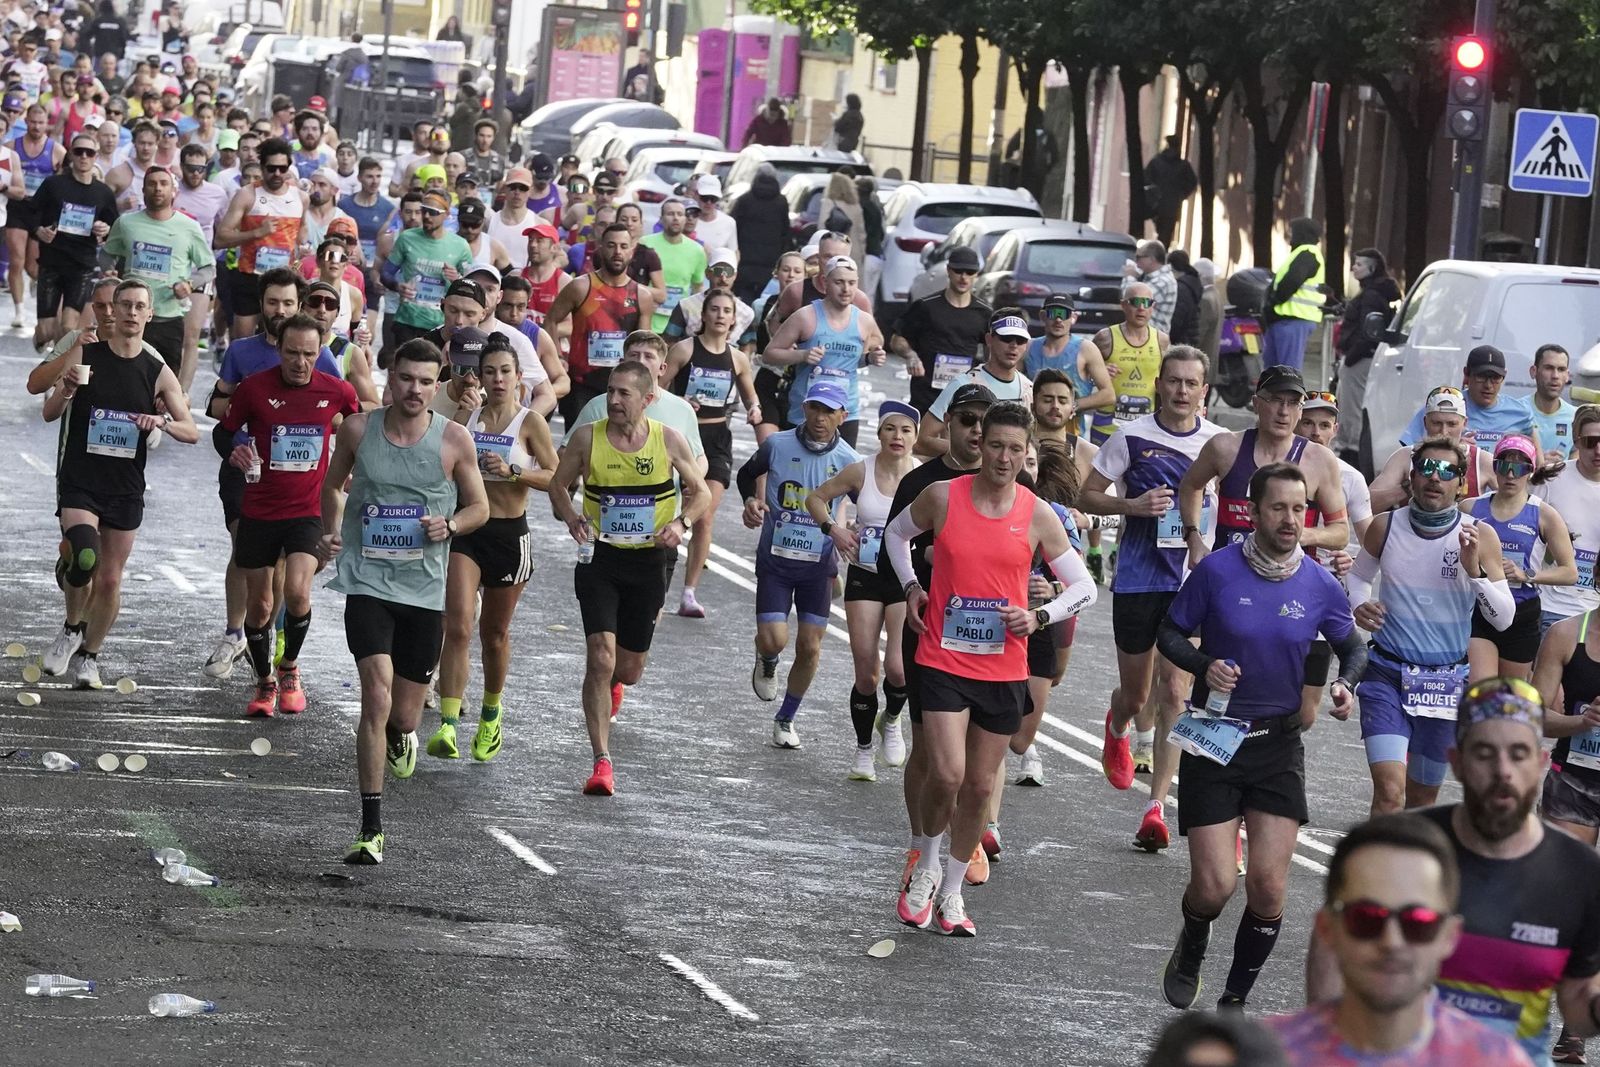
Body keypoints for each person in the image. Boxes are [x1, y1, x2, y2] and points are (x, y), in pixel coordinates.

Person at [1153, 462, 1364, 1009]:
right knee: (1215, 885)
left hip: (1277, 743)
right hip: (1213, 734)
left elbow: (1352, 646)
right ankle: (1193, 940)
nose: (1292, 519)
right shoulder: (1218, 571)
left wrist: (1346, 685)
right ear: (1252, 511)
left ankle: (1234, 1002)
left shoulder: (1319, 582)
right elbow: (1170, 633)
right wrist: (1203, 665)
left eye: (1300, 508)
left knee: (1269, 888)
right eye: (1279, 507)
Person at [1307, 679, 1600, 1067]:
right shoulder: (1398, 848)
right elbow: (1331, 948)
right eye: (1484, 754)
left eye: (1519, 754)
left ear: (1542, 764)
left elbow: (1579, 1003)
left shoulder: (1579, 873)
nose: (1503, 772)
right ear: (1456, 762)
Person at [885, 400, 1096, 935]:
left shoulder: (1038, 513)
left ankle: (954, 892)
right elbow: (894, 535)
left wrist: (1039, 615)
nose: (1003, 457)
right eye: (995, 445)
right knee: (948, 773)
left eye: (1015, 449)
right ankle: (925, 868)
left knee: (979, 787)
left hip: (1004, 666)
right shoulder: (942, 497)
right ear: (980, 445)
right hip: (943, 657)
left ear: (1028, 454)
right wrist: (912, 586)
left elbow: (1085, 586)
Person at [319, 338, 490, 864]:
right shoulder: (357, 430)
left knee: (406, 715)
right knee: (375, 692)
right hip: (368, 582)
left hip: (423, 593)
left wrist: (452, 523)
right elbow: (331, 487)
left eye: (424, 380)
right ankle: (371, 827)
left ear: (436, 384)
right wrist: (331, 533)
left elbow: (481, 506)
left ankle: (401, 735)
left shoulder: (454, 440)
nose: (414, 389)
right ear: (390, 379)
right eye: (405, 379)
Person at [1079, 346, 1224, 846]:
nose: (1183, 392)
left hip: (1191, 580)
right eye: (1175, 382)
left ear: (1204, 390)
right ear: (1160, 384)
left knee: (1175, 692)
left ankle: (1156, 806)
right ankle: (1117, 724)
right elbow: (1086, 495)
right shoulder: (1131, 437)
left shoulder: (1219, 445)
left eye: (1192, 383)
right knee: (1138, 694)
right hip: (1140, 578)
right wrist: (1132, 504)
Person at [548, 359, 708, 795]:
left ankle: (618, 683)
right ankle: (601, 761)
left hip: (648, 562)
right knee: (600, 656)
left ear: (648, 399)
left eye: (624, 394)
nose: (613, 400)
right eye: (610, 392)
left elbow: (703, 490)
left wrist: (682, 525)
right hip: (600, 560)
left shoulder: (667, 440)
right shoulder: (587, 438)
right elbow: (558, 486)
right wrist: (571, 518)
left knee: (628, 669)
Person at [1269, 813, 1536, 1066]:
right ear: (1327, 929)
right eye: (1366, 918)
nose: (1392, 941)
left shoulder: (1499, 1061)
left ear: (1449, 936)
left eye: (1418, 922)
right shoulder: (1259, 1056)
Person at [38, 279, 199, 687]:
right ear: (111, 311)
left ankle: (89, 657)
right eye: (122, 304)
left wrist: (160, 420)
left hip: (125, 486)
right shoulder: (86, 353)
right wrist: (68, 390)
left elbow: (190, 430)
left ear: (149, 314)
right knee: (87, 558)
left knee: (110, 579)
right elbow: (50, 411)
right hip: (80, 479)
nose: (128, 312)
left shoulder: (157, 370)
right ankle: (72, 627)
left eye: (137, 306)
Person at [1349, 436, 1514, 815]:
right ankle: (1379, 874)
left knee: (1422, 802)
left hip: (1444, 685)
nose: (1434, 478)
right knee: (1390, 792)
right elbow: (1358, 578)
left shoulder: (1479, 535)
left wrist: (1474, 573)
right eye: (1426, 468)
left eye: (1446, 471)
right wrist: (1360, 605)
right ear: (1412, 477)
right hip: (1385, 674)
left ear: (1461, 483)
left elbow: (1502, 619)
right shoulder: (1385, 526)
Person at [218, 313, 360, 717]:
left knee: (297, 592)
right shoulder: (254, 389)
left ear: (320, 352)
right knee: (260, 607)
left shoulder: (336, 390)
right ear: (277, 349)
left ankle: (289, 668)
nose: (300, 362)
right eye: (293, 353)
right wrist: (236, 449)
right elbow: (224, 429)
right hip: (259, 510)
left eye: (309, 354)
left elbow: (360, 428)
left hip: (307, 511)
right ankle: (264, 681)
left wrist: (350, 470)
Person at [426, 332, 558, 762]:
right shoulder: (468, 419)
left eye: (505, 371)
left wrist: (515, 469)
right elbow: (439, 466)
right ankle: (447, 723)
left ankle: (490, 715)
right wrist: (462, 420)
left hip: (509, 534)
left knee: (494, 635)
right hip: (468, 532)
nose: (498, 379)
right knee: (458, 625)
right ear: (478, 376)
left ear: (519, 376)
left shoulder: (529, 422)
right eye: (490, 372)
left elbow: (556, 477)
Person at [737, 380, 861, 743]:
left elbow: (866, 504)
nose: (820, 418)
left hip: (818, 567)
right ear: (803, 408)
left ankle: (786, 718)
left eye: (829, 411)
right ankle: (767, 657)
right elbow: (747, 474)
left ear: (843, 415)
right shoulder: (777, 444)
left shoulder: (849, 460)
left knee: (809, 646)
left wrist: (854, 525)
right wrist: (750, 501)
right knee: (775, 640)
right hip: (775, 560)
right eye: (814, 408)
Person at [804, 400, 921, 778]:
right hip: (865, 575)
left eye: (905, 430)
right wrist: (834, 530)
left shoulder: (925, 478)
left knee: (899, 670)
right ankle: (863, 750)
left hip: (906, 580)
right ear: (879, 433)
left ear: (916, 437)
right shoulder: (861, 470)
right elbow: (815, 498)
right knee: (867, 671)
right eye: (890, 428)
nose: (897, 437)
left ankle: (890, 719)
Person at [1179, 365, 1349, 557]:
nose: (1284, 411)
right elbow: (1190, 486)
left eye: (1293, 402)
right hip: (1231, 575)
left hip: (1289, 579)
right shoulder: (1224, 447)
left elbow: (1341, 533)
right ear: (1256, 403)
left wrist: (1303, 534)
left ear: (1301, 410)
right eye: (1276, 400)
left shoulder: (1320, 460)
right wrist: (1193, 538)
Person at [663, 288, 759, 617]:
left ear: (734, 319)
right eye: (714, 309)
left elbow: (751, 397)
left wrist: (755, 410)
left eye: (726, 311)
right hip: (682, 436)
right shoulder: (683, 350)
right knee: (666, 507)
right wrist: (679, 405)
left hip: (717, 438)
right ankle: (657, 575)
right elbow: (655, 391)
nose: (720, 315)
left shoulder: (737, 358)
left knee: (704, 514)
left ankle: (689, 593)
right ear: (702, 315)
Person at [1464, 436, 1575, 682]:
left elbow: (1570, 572)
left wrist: (1527, 575)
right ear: (1495, 468)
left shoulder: (1544, 514)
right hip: (1479, 609)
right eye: (1504, 465)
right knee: (1480, 687)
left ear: (1531, 471)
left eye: (1521, 467)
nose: (1511, 474)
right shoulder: (1470, 508)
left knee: (1508, 698)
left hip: (1522, 613)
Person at [102, 164, 214, 380]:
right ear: (143, 190)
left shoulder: (189, 226)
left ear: (174, 191)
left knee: (163, 382)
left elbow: (208, 268)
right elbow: (107, 255)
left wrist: (189, 285)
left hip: (168, 317)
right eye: (151, 184)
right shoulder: (126, 223)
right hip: (130, 316)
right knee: (125, 378)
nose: (158, 189)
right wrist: (109, 274)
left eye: (164, 184)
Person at [764, 255, 886, 448]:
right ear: (825, 282)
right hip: (808, 410)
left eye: (851, 283)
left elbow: (858, 357)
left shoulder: (864, 320)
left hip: (845, 411)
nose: (846, 289)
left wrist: (870, 358)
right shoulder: (806, 316)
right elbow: (770, 354)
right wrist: (802, 355)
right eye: (839, 282)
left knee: (842, 474)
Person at [543, 222, 656, 428]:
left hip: (623, 386)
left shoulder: (642, 295)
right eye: (611, 245)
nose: (617, 252)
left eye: (623, 246)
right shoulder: (580, 286)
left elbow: (644, 345)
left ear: (632, 251)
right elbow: (550, 320)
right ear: (601, 248)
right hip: (581, 384)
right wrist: (557, 360)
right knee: (579, 446)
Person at [29, 129, 114, 352]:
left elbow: (112, 226)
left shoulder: (103, 192)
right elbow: (30, 213)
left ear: (96, 156)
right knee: (47, 330)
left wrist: (103, 229)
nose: (84, 156)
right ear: (71, 155)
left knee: (68, 326)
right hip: (51, 262)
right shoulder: (53, 184)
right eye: (79, 152)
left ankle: (56, 376)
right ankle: (41, 339)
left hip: (82, 265)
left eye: (89, 152)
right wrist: (39, 231)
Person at [216, 137, 306, 341]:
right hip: (250, 278)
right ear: (262, 166)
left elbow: (303, 234)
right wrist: (256, 233)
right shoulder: (247, 195)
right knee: (243, 344)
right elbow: (221, 238)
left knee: (282, 342)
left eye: (282, 169)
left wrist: (304, 247)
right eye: (271, 168)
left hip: (284, 281)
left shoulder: (301, 198)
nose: (277, 174)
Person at [916, 308, 1034, 457]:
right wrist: (973, 452)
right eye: (1006, 338)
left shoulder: (1029, 389)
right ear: (989, 340)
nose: (1013, 345)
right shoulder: (963, 384)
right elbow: (922, 441)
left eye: (1020, 340)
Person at [893, 245, 992, 413]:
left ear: (977, 274)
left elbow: (994, 349)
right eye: (958, 271)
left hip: (964, 398)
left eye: (969, 272)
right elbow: (897, 338)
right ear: (948, 270)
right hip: (926, 397)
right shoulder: (926, 307)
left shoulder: (984, 313)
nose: (963, 277)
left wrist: (987, 375)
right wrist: (911, 356)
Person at [1370, 387, 1498, 513]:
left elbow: (1514, 505)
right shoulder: (1405, 457)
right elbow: (1364, 506)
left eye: (1452, 424)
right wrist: (1408, 488)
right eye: (1436, 423)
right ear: (1425, 422)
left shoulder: (1481, 460)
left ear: (1464, 424)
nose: (1443, 431)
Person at [1398, 345, 1538, 454]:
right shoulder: (1443, 404)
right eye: (1481, 376)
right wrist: (1450, 448)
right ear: (1466, 374)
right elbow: (1408, 453)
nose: (1488, 385)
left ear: (1504, 376)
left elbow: (1536, 458)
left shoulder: (1520, 412)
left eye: (1495, 378)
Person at [1535, 404, 1600, 633]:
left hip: (1595, 610)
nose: (1598, 450)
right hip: (1551, 607)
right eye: (1591, 442)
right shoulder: (1551, 478)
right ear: (1577, 440)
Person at [1331, 248, 1400, 463]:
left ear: (1371, 268)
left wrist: (1351, 358)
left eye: (1359, 264)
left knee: (1351, 406)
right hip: (1362, 357)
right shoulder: (1376, 293)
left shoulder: (1371, 295)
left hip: (1359, 360)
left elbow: (1368, 331)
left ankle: (1350, 450)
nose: (1354, 267)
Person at [381, 190, 474, 348]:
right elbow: (385, 274)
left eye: (433, 212)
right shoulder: (407, 238)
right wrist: (398, 287)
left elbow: (471, 288)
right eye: (424, 210)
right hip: (407, 320)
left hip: (440, 324)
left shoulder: (460, 246)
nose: (426, 216)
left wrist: (457, 279)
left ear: (446, 215)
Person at [1088, 282, 1169, 447]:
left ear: (1153, 307)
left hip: (1145, 427)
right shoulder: (1105, 337)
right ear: (1123, 305)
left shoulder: (1161, 340)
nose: (1141, 308)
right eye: (1135, 302)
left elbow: (1167, 380)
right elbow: (1081, 373)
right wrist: (1096, 374)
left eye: (1146, 303)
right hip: (1107, 426)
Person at [1024, 293, 1114, 432]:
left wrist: (1072, 406)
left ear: (1073, 318)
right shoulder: (1029, 347)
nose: (1059, 319)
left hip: (1072, 436)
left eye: (1064, 314)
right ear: (1043, 316)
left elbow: (1108, 394)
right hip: (1034, 434)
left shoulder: (1086, 349)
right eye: (1053, 313)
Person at [1260, 217, 1326, 373]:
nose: (1289, 234)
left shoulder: (1307, 253)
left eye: (1292, 230)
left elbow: (1291, 281)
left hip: (1294, 320)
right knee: (1274, 371)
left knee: (1287, 372)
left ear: (1301, 233)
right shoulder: (1298, 253)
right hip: (1285, 319)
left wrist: (1273, 302)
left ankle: (1287, 398)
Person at [640, 199, 705, 333]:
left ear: (685, 219)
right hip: (648, 319)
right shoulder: (645, 243)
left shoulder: (697, 250)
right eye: (670, 214)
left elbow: (697, 287)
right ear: (661, 219)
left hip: (678, 324)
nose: (675, 218)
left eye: (680, 214)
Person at [730, 164, 788, 304]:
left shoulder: (745, 200)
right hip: (770, 263)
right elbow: (785, 233)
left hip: (745, 262)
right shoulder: (781, 203)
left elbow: (734, 228)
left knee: (743, 302)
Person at [1526, 344, 1579, 466]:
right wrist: (1538, 462)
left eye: (1561, 369)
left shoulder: (1576, 416)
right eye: (1549, 368)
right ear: (1534, 371)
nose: (1555, 376)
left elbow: (1578, 462)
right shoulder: (1517, 411)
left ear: (1567, 376)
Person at [1145, 135, 1197, 248]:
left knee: (1161, 231)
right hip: (1172, 205)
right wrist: (1181, 195)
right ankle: (1161, 253)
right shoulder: (1183, 166)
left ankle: (1158, 252)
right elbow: (1192, 183)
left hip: (1157, 204)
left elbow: (1145, 179)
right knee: (1166, 234)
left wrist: (1152, 194)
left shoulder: (1156, 162)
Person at [1124, 240, 1178, 335]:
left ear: (1151, 259)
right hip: (1148, 336)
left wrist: (1130, 277)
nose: (1136, 262)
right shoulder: (1154, 278)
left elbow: (1132, 301)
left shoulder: (1162, 281)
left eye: (1139, 257)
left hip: (1153, 338)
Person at [692, 175, 737, 258]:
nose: (708, 202)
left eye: (713, 199)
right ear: (695, 195)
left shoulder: (729, 222)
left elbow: (733, 253)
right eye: (705, 198)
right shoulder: (687, 220)